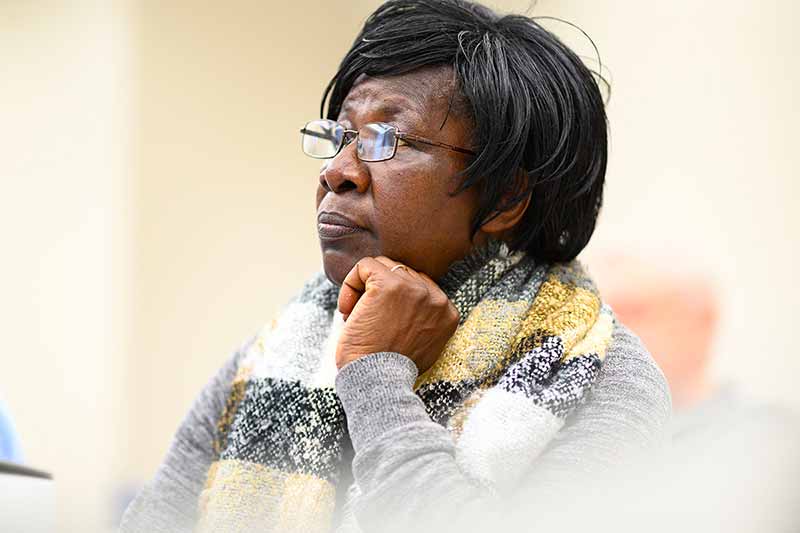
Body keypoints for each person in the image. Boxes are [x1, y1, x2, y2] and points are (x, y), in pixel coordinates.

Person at [120, 1, 670, 532]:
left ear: (505, 198)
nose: (338, 172)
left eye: (387, 139)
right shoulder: (278, 350)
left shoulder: (600, 377)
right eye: (339, 136)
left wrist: (375, 375)